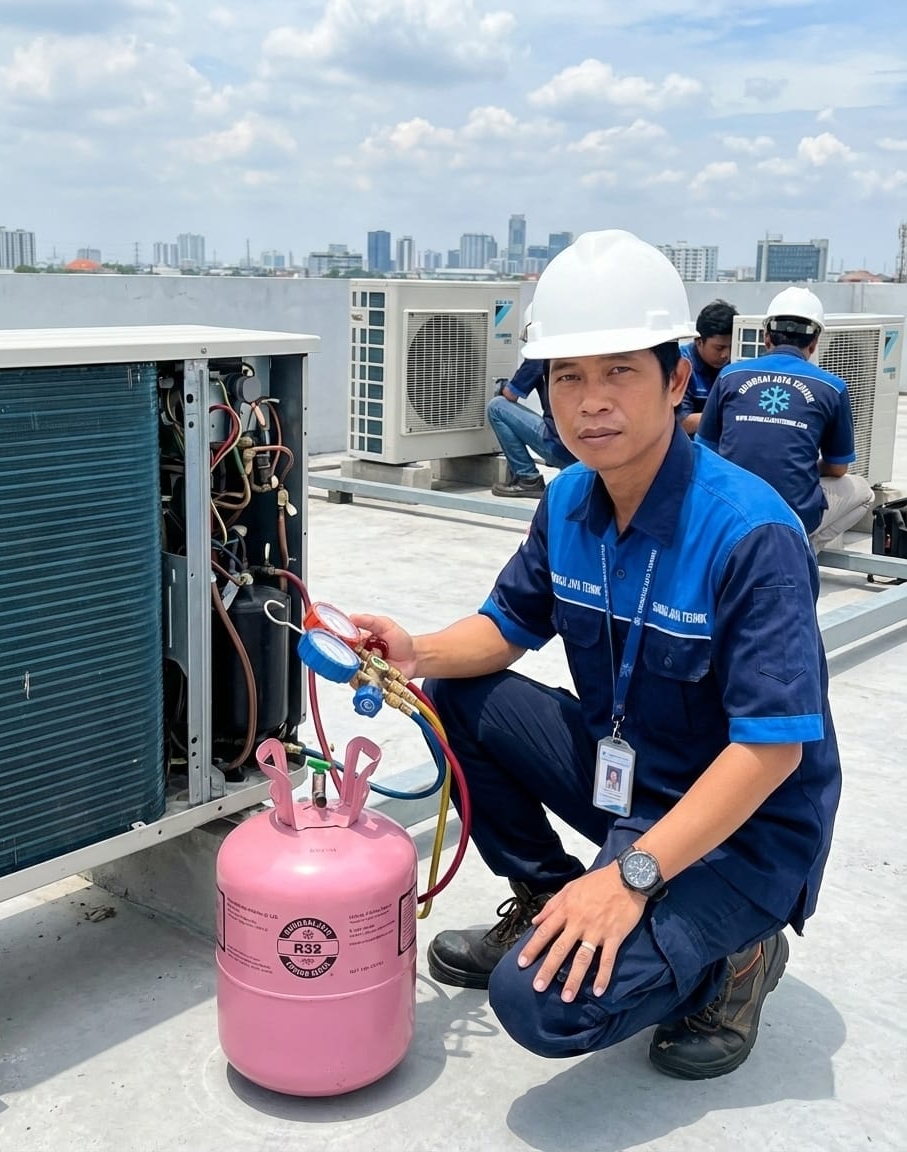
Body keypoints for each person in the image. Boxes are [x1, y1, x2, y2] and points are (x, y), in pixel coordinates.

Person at [352, 229, 841, 1082]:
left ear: (678, 381)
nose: (591, 403)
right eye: (568, 377)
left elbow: (771, 752)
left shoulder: (749, 533)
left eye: (620, 371)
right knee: (457, 695)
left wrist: (630, 878)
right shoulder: (571, 499)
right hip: (635, 777)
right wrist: (415, 650)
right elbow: (505, 626)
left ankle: (740, 959)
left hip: (744, 828)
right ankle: (549, 895)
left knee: (538, 1004)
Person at [697, 287, 873, 553]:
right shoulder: (832, 387)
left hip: (731, 511)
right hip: (795, 513)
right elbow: (838, 468)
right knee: (863, 491)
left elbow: (705, 451)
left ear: (766, 338)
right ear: (814, 344)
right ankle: (801, 550)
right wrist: (798, 465)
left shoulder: (729, 376)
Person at [487, 311, 577, 497]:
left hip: (558, 447)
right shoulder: (576, 350)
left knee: (497, 406)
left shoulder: (539, 356)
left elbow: (510, 395)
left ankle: (527, 478)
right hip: (583, 451)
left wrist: (503, 386)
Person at [676, 299, 738, 436]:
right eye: (719, 348)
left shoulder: (737, 363)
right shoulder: (681, 365)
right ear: (699, 341)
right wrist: (730, 416)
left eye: (731, 347)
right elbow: (681, 422)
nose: (726, 355)